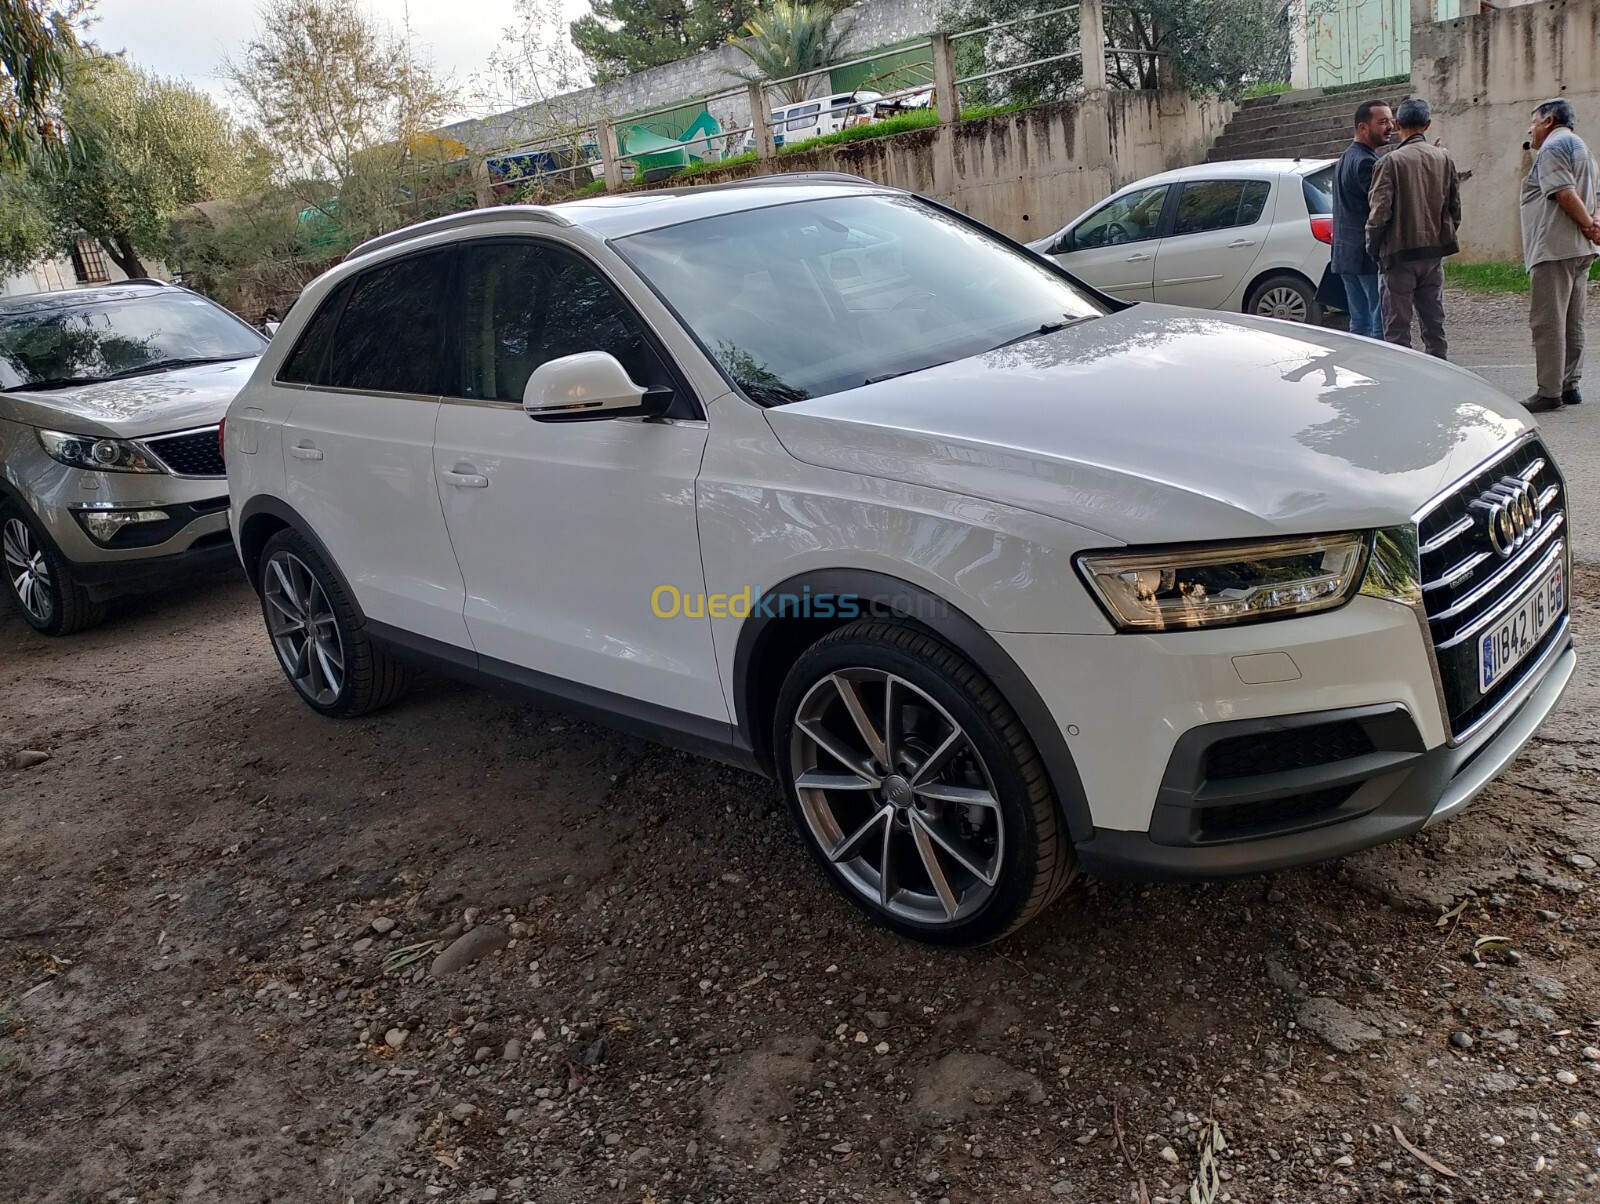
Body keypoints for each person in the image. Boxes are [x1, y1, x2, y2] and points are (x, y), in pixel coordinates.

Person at [1519, 98, 1600, 412]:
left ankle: (1549, 391)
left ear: (1549, 120)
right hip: (1580, 248)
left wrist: (1586, 223)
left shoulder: (1553, 147)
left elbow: (1563, 192)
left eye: (1534, 122)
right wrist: (1594, 227)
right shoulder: (1582, 147)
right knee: (1573, 319)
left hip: (1555, 246)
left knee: (1548, 321)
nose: (1531, 129)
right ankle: (1570, 384)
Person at [1365, 97, 1461, 358]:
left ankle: (1404, 387)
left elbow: (1379, 215)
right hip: (1432, 254)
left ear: (1397, 125)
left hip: (1398, 255)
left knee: (1397, 332)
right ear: (1427, 125)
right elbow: (1454, 208)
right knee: (1434, 325)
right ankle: (1440, 376)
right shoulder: (1443, 158)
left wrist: (1374, 249)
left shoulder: (1389, 163)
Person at [1332, 100, 1395, 339]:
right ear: (1362, 128)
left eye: (1391, 120)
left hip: (1345, 254)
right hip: (1364, 255)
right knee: (1377, 320)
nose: (1390, 126)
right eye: (1382, 122)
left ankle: (1360, 369)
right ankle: (1376, 372)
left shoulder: (1346, 157)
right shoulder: (1367, 162)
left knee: (1359, 323)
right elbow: (1380, 209)